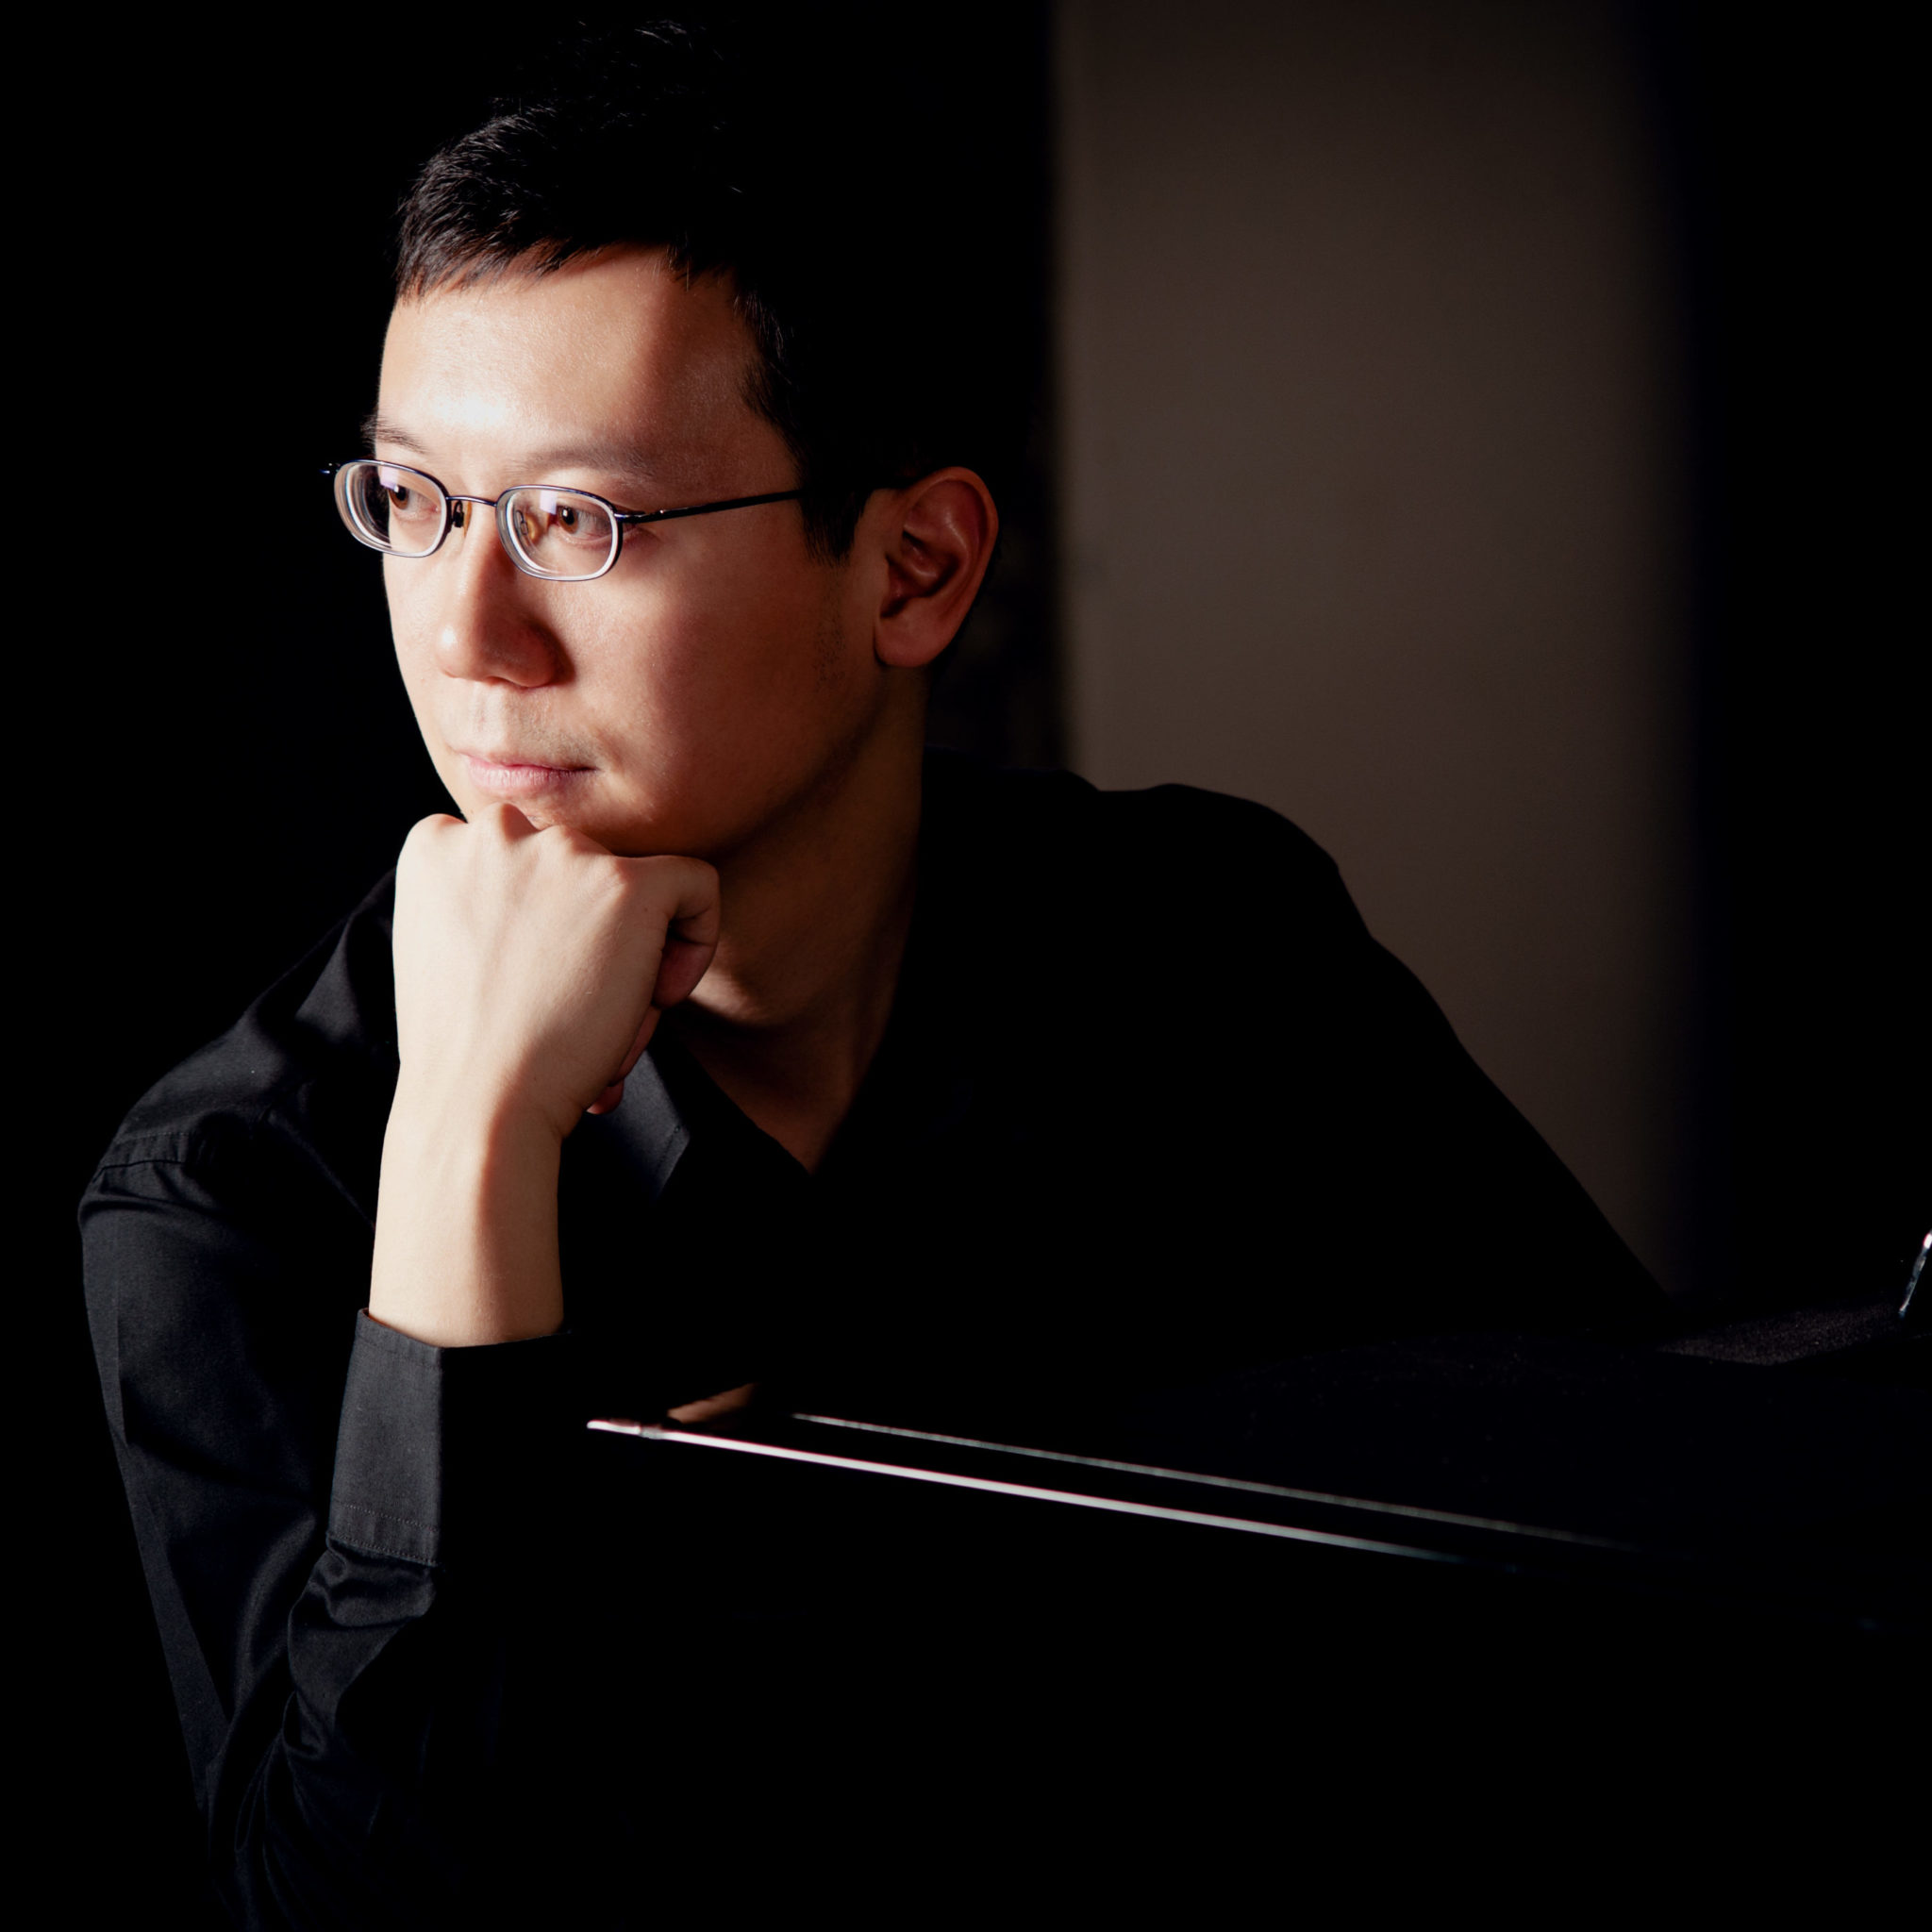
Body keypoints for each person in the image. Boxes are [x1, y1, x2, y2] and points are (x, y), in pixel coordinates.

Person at [81, 24, 1661, 1925]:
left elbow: (1641, 1527)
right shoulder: (244, 1184)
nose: (469, 632)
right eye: (413, 502)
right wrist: (469, 1145)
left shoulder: (1202, 941)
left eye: (577, 521)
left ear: (913, 567)